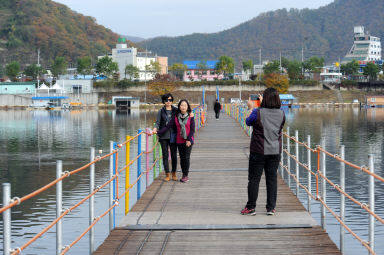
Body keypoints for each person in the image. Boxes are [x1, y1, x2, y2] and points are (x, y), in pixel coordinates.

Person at [241, 88, 285, 216]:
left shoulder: (257, 112)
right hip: (275, 151)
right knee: (272, 179)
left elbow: (248, 122)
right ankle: (271, 208)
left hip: (258, 151)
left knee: (254, 179)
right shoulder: (282, 113)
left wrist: (251, 108)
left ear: (264, 99)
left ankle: (250, 207)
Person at [155, 99, 195, 183]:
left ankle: (185, 175)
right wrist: (157, 132)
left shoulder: (191, 116)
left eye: (185, 105)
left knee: (186, 157)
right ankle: (183, 174)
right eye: (181, 105)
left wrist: (188, 139)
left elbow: (192, 130)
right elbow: (167, 126)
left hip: (188, 140)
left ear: (187, 107)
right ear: (179, 107)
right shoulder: (176, 117)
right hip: (179, 140)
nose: (183, 107)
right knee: (182, 158)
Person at [152, 93, 178, 181]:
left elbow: (183, 115)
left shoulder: (176, 110)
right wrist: (155, 128)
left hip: (173, 135)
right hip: (163, 136)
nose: (168, 102)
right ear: (164, 101)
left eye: (170, 100)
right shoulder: (161, 111)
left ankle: (174, 173)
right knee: (165, 155)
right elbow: (157, 122)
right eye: (166, 100)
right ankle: (167, 174)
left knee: (174, 156)